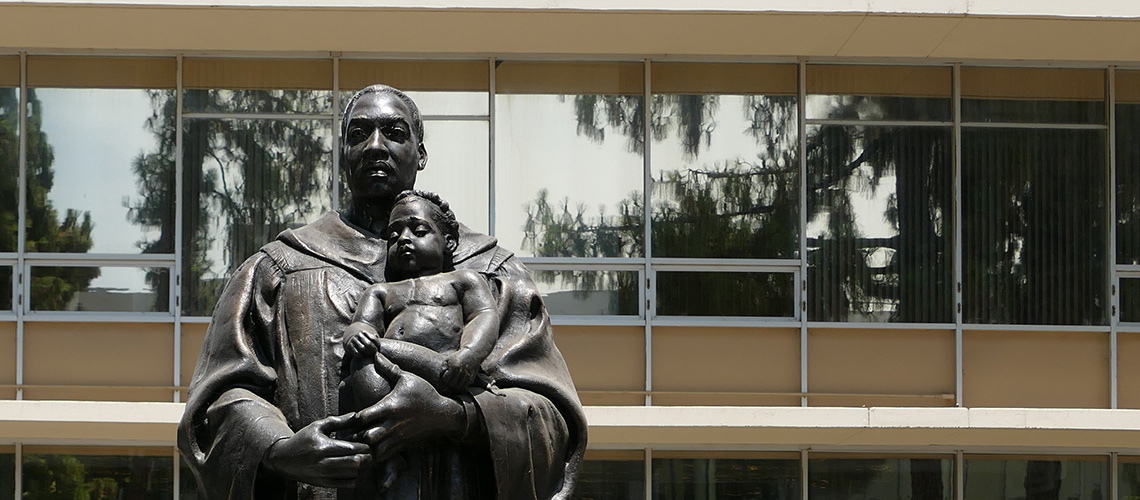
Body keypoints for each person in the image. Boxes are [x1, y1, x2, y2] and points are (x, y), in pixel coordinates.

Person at [178, 84, 586, 500]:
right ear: (343, 156)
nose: (375, 145)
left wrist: (453, 416)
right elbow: (218, 402)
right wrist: (277, 449)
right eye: (358, 134)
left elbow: (551, 419)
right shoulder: (279, 269)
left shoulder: (491, 272)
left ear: (421, 153)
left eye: (394, 132)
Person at [340, 190, 500, 495]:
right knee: (363, 360)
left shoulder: (463, 280)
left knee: (376, 351)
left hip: (442, 371)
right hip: (392, 375)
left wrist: (468, 356)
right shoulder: (382, 291)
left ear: (448, 242)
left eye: (419, 230)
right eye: (394, 234)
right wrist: (356, 335)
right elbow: (361, 324)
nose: (403, 238)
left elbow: (483, 316)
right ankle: (389, 453)